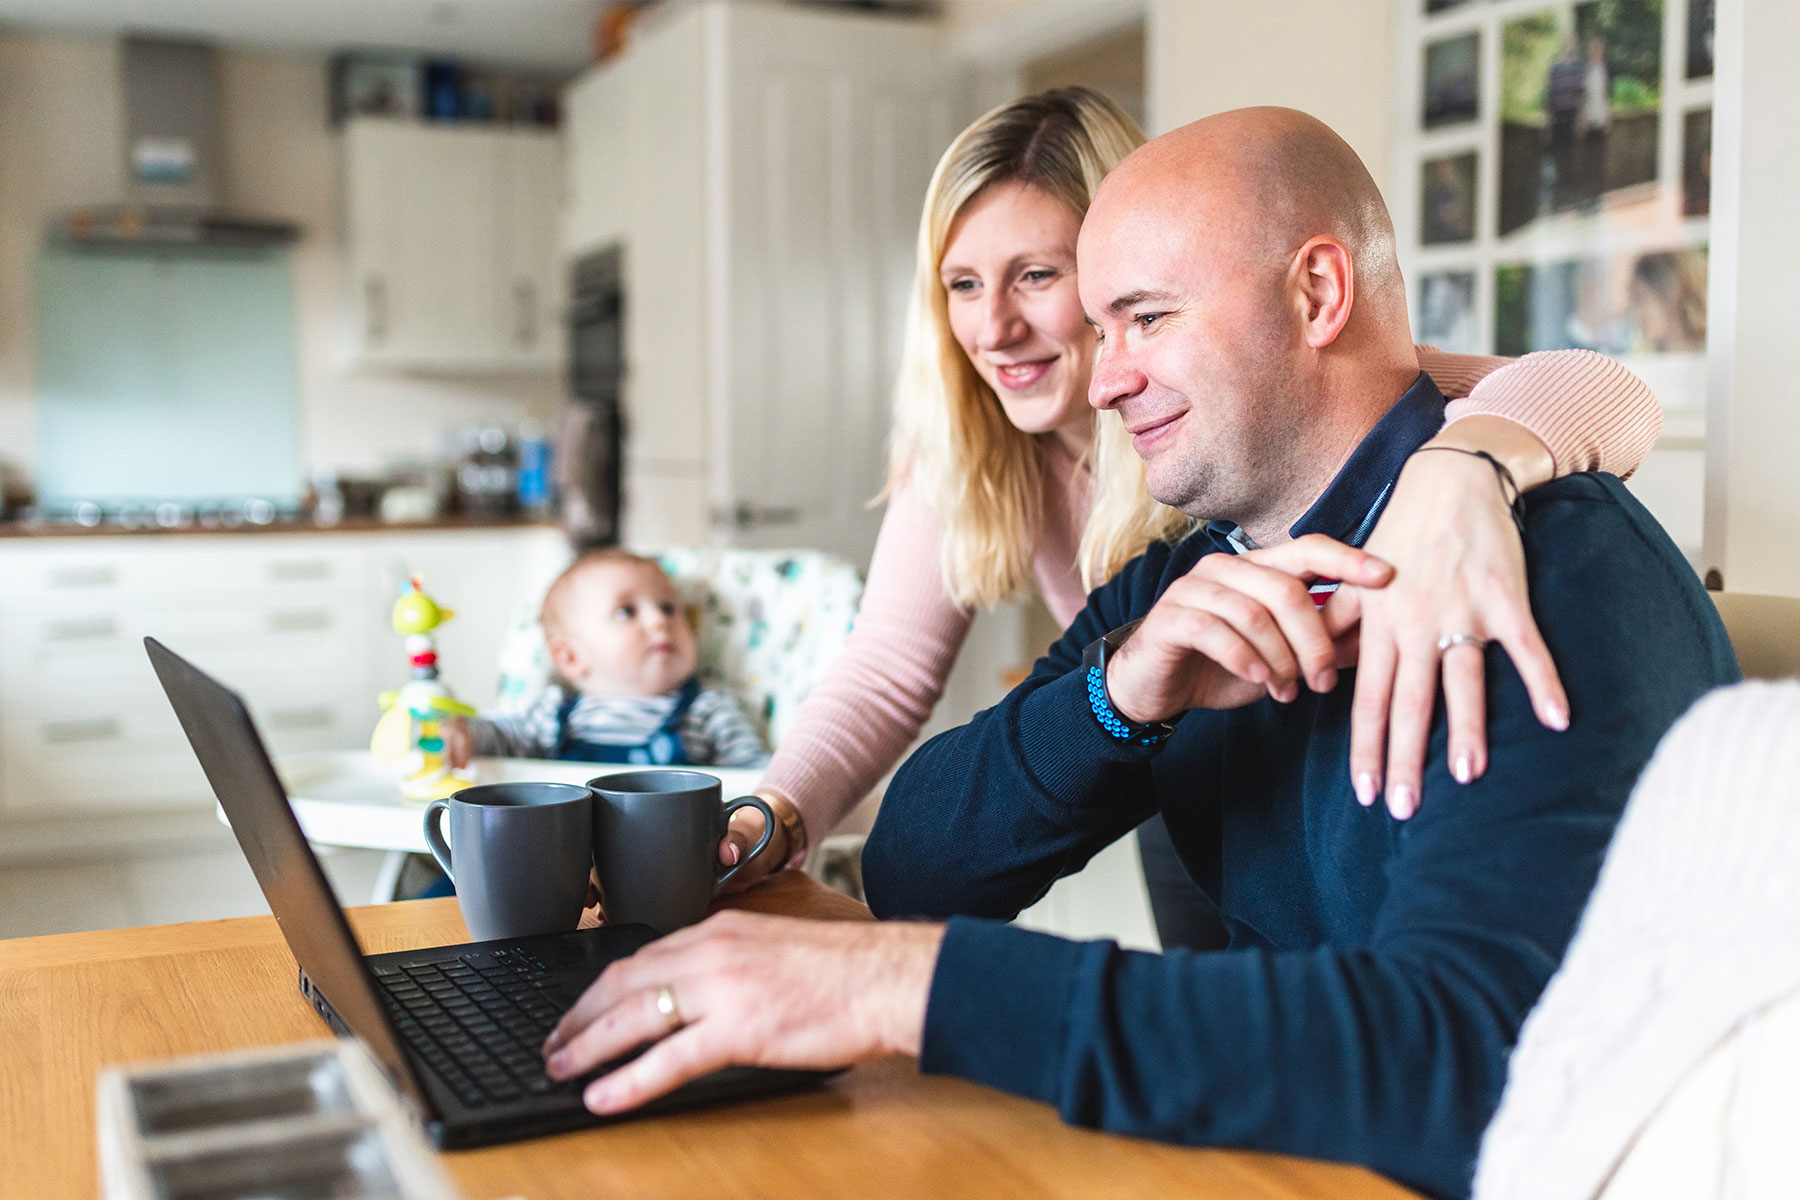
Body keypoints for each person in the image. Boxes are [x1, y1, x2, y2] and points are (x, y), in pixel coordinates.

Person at [536, 109, 1737, 1200]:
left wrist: (892, 987)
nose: (1103, 382)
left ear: (1319, 294)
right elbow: (912, 864)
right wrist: (1117, 695)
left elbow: (1480, 1068)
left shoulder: (1526, 568)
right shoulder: (1198, 567)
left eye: (1148, 318)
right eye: (1101, 326)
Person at [722, 88, 1663, 952]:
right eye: (962, 285)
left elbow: (1588, 391)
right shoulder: (1068, 498)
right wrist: (776, 813)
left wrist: (1462, 473)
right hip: (1183, 729)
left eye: (1042, 278)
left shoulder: (1401, 443)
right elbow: (890, 685)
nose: (996, 327)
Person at [444, 549, 767, 769]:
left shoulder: (708, 712)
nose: (660, 621)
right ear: (571, 658)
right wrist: (462, 734)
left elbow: (759, 785)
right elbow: (500, 737)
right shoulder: (553, 714)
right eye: (627, 611)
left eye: (669, 608)